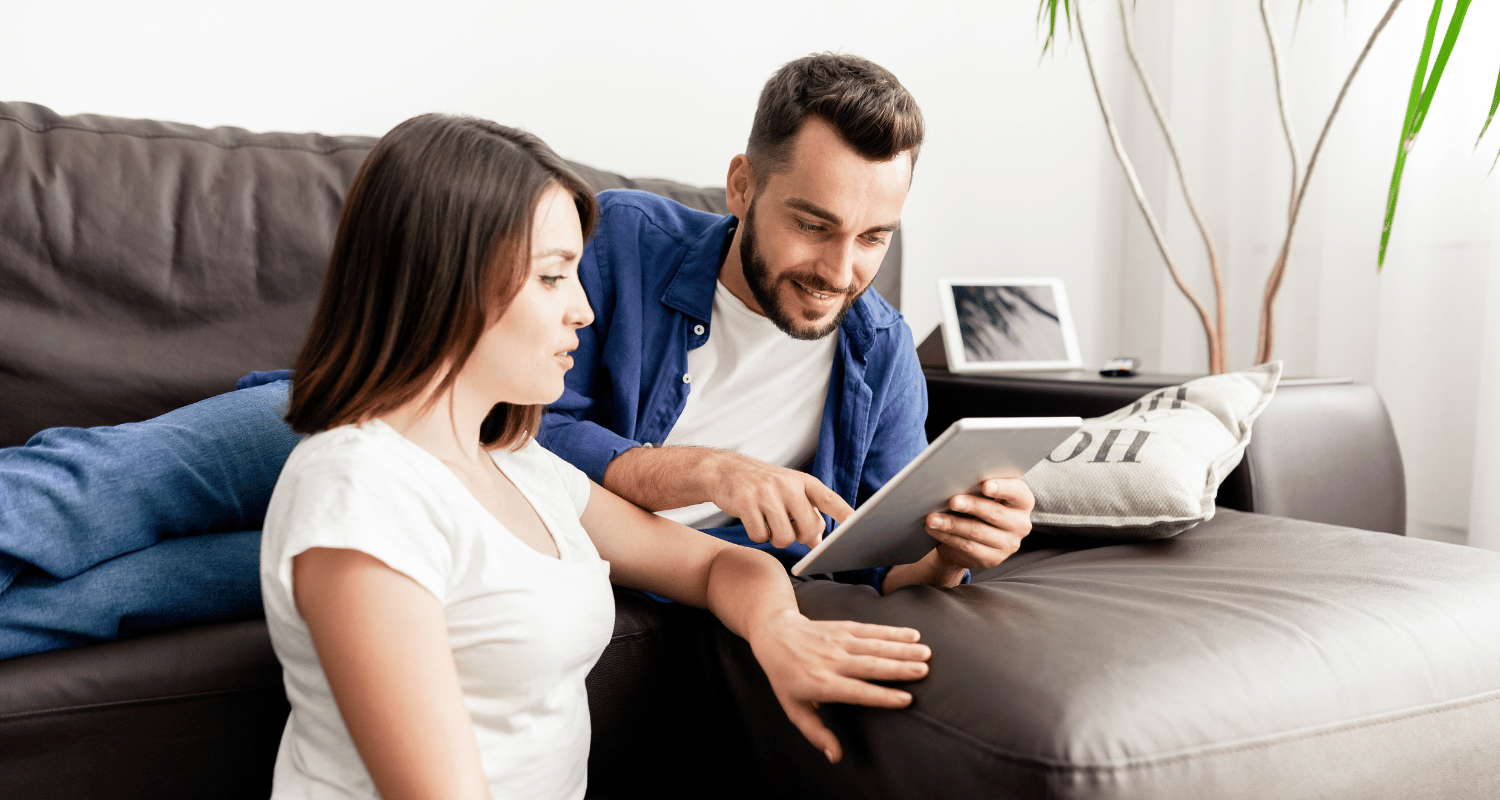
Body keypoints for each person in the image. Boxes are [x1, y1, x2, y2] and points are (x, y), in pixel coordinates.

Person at [260, 113, 930, 799]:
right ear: (449, 281)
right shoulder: (361, 487)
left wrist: (781, 628)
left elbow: (719, 564)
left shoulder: (523, 467)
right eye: (553, 278)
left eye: (875, 237)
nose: (584, 310)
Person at [539, 53, 1035, 592]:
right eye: (812, 225)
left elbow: (883, 562)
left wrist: (953, 552)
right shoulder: (618, 241)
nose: (840, 274)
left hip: (760, 595)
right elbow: (516, 429)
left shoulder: (883, 348)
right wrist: (709, 471)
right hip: (597, 565)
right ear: (742, 187)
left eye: (873, 237)